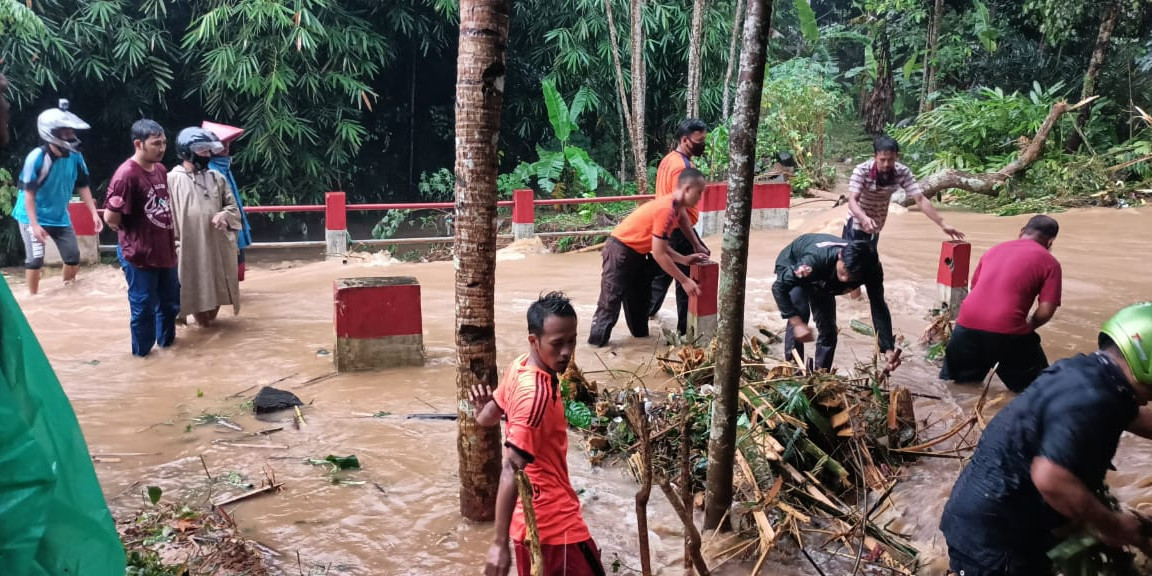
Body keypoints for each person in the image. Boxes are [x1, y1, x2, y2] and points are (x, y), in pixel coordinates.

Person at [940, 302, 1152, 575]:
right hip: (995, 539)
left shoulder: (1088, 375)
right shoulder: (1097, 399)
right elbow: (1051, 477)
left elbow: (1131, 416)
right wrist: (1113, 525)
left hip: (983, 517)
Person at [470, 292, 606, 576]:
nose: (567, 352)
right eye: (557, 344)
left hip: (531, 525)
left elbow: (488, 418)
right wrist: (497, 544)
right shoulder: (537, 396)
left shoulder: (520, 366)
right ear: (534, 340)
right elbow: (510, 467)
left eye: (572, 341)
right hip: (554, 526)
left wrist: (480, 410)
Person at [940, 215, 1062, 393]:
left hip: (965, 326)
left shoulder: (993, 250)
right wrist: (1031, 324)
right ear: (1051, 241)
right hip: (1008, 332)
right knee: (1040, 391)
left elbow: (975, 288)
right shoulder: (1050, 263)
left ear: (1022, 232)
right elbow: (1046, 310)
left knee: (961, 389)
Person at [589, 168, 709, 347]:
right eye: (699, 193)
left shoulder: (677, 207)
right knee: (609, 303)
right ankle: (595, 346)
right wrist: (684, 280)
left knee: (639, 302)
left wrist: (686, 257)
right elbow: (660, 254)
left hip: (638, 254)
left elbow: (670, 238)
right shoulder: (666, 210)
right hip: (620, 250)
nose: (700, 198)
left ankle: (640, 343)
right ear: (686, 189)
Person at [771, 234, 901, 373]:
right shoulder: (813, 261)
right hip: (794, 262)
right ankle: (793, 372)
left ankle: (822, 375)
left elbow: (878, 306)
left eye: (852, 277)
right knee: (800, 315)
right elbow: (779, 287)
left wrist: (888, 348)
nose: (845, 279)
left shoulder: (871, 270)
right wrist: (797, 323)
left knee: (829, 330)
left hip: (826, 280)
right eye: (844, 271)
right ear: (840, 255)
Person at [11, 100, 103, 295]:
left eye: (71, 131)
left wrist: (94, 213)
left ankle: (66, 293)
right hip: (32, 217)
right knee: (35, 260)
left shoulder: (75, 155)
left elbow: (83, 185)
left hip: (60, 217)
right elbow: (28, 194)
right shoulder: (36, 157)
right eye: (65, 131)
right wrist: (34, 226)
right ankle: (33, 299)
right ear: (50, 133)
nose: (70, 135)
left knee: (73, 257)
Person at [103, 120, 178, 358]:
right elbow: (110, 218)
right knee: (143, 309)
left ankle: (167, 352)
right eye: (156, 143)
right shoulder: (126, 176)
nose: (162, 147)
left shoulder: (160, 170)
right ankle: (142, 358)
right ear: (139, 144)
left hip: (164, 251)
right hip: (139, 255)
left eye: (164, 142)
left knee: (170, 305)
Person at [168, 127, 241, 327]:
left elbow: (233, 208)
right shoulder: (171, 180)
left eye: (209, 151)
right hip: (189, 248)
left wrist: (225, 214)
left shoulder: (217, 178)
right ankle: (204, 335)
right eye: (203, 151)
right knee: (195, 293)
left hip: (216, 246)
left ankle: (208, 335)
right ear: (187, 151)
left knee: (217, 290)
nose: (208, 156)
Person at [648, 118, 711, 335]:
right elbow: (681, 208)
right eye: (699, 140)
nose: (703, 144)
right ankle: (687, 331)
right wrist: (695, 242)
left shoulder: (668, 160)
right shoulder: (682, 167)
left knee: (663, 273)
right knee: (686, 279)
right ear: (685, 140)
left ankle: (649, 311)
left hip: (665, 226)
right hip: (677, 227)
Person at [845, 135, 964, 245]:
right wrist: (864, 218)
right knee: (849, 264)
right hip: (856, 222)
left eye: (890, 159)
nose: (886, 164)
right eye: (882, 160)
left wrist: (943, 224)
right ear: (875, 157)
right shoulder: (861, 171)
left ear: (897, 156)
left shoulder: (902, 172)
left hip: (877, 224)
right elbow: (852, 200)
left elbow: (920, 199)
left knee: (869, 264)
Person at [202, 121, 253, 281]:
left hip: (233, 224)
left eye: (228, 143)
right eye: (222, 143)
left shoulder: (224, 168)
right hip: (223, 228)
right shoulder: (211, 171)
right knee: (225, 275)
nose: (226, 147)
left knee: (234, 272)